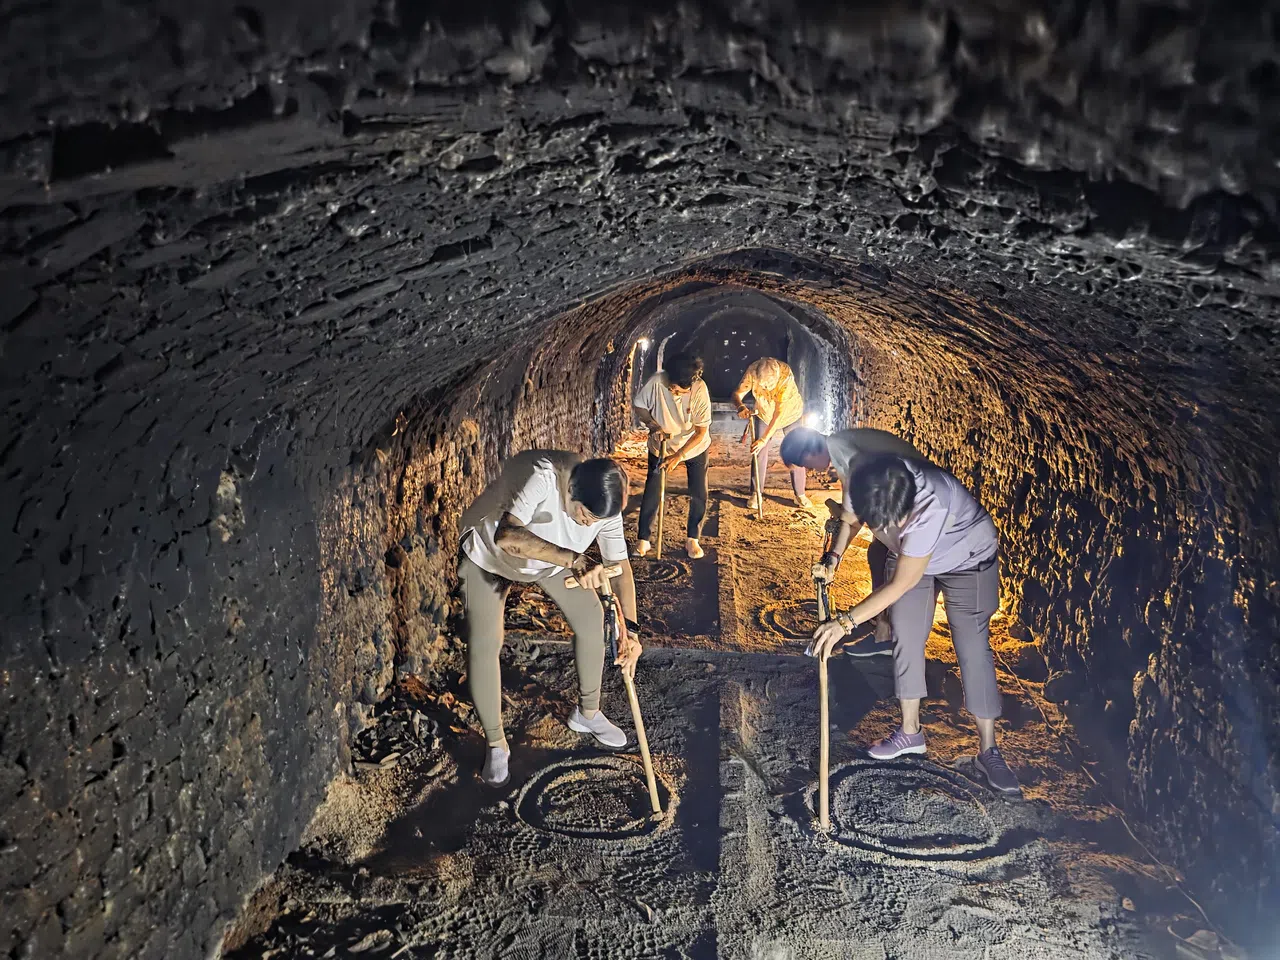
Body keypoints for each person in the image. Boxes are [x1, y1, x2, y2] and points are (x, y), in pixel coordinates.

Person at [807, 453, 1020, 796]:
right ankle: (911, 733)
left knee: (971, 644)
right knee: (905, 633)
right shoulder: (864, 475)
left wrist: (844, 623)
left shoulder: (929, 506)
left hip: (968, 556)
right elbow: (849, 520)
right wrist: (833, 557)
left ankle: (989, 751)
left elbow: (900, 584)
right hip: (909, 554)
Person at [458, 451, 643, 787]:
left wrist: (630, 631)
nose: (588, 524)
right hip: (489, 554)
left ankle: (587, 713)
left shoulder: (605, 505)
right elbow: (507, 537)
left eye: (594, 521)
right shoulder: (542, 477)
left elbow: (621, 570)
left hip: (553, 561)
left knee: (591, 619)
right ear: (570, 490)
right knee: (485, 643)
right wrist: (576, 560)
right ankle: (496, 743)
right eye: (584, 516)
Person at [781, 426, 924, 658]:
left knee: (891, 561)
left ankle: (889, 635)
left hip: (914, 501)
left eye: (805, 463)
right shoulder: (842, 446)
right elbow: (853, 514)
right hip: (908, 494)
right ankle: (882, 622)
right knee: (877, 552)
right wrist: (835, 555)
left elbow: (853, 516)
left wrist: (834, 557)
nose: (809, 469)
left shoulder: (844, 451)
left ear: (810, 449)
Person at [632, 351, 712, 559]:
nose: (670, 389)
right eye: (670, 384)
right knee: (653, 487)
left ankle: (692, 538)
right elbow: (640, 405)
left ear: (687, 387)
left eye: (676, 388)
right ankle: (644, 539)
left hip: (693, 446)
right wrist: (652, 425)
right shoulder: (658, 381)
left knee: (698, 491)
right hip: (661, 443)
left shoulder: (699, 390)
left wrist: (679, 455)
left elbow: (701, 431)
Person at [732, 357, 810, 510]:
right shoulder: (753, 371)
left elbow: (779, 413)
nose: (766, 388)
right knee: (758, 451)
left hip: (789, 415)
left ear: (776, 377)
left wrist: (764, 438)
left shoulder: (785, 376)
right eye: (763, 385)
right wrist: (740, 406)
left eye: (769, 385)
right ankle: (756, 493)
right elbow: (737, 393)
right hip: (764, 413)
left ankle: (800, 493)